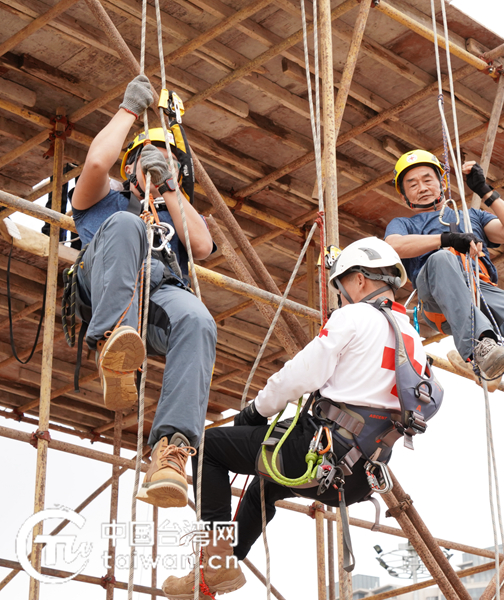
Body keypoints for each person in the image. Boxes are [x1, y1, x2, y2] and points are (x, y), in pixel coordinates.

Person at [162, 237, 437, 599]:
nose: (340, 297)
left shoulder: (354, 316)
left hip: (323, 452)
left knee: (209, 447)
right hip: (362, 474)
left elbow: (299, 376)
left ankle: (214, 561)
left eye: (341, 287)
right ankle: (217, 573)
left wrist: (255, 411)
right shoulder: (413, 338)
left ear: (359, 280)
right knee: (266, 484)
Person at [70, 74, 216, 509]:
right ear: (128, 166)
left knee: (198, 320)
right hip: (106, 284)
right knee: (129, 224)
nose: (153, 167)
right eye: (144, 161)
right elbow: (96, 164)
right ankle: (112, 345)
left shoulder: (177, 212)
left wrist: (170, 187)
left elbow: (203, 246)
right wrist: (129, 110)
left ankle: (170, 453)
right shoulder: (106, 201)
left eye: (165, 162)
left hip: (157, 296)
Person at [384, 150, 504, 445]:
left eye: (428, 179)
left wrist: (485, 192)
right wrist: (447, 240)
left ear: (442, 182)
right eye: (412, 184)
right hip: (438, 291)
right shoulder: (405, 224)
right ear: (405, 196)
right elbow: (394, 246)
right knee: (442, 259)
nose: (422, 187)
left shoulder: (470, 215)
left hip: (480, 287)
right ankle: (479, 347)